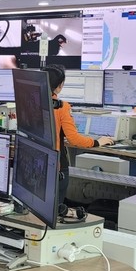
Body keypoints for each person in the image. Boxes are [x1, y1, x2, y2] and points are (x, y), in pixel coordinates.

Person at [43, 64, 113, 203]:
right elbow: (74, 140)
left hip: (39, 161)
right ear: (60, 86)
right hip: (56, 166)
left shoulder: (33, 100)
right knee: (55, 206)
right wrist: (97, 142)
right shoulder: (61, 106)